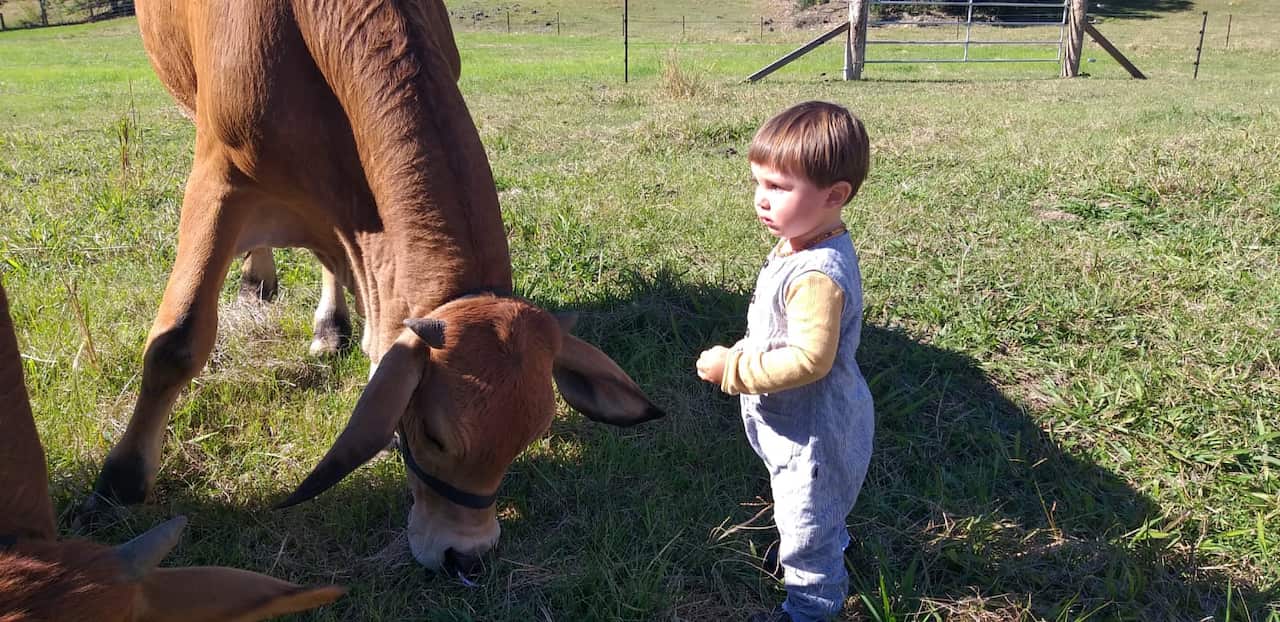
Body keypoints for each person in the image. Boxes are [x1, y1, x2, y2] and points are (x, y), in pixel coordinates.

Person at [696, 101, 875, 622]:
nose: (761, 199)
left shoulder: (818, 273)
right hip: (792, 424)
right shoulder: (800, 243)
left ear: (834, 195)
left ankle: (810, 608)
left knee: (806, 524)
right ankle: (827, 535)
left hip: (815, 432)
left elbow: (809, 360)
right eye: (758, 183)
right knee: (806, 507)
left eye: (778, 187)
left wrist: (734, 368)